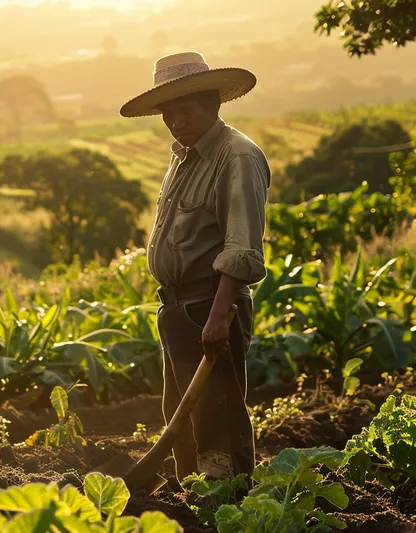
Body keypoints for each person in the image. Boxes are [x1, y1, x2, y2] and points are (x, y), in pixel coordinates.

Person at [119, 51, 271, 482]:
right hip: (178, 309)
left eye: (183, 111)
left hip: (211, 305)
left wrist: (220, 317)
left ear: (213, 105)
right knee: (181, 416)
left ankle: (228, 502)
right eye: (167, 114)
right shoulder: (183, 154)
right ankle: (191, 497)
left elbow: (241, 246)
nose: (174, 122)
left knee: (217, 417)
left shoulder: (236, 157)